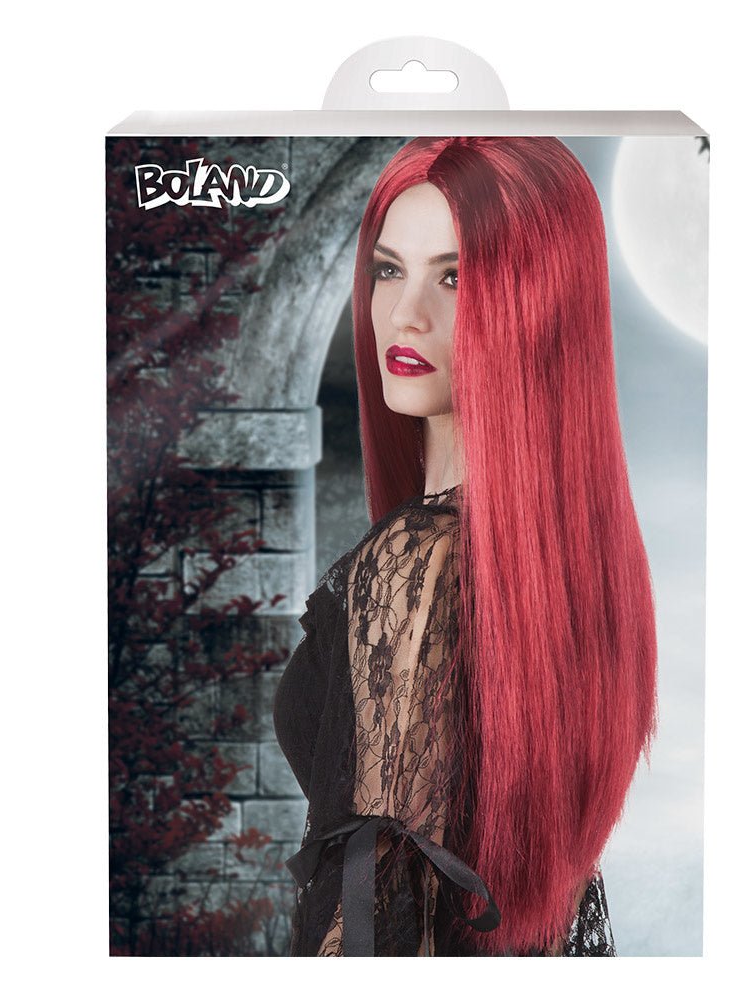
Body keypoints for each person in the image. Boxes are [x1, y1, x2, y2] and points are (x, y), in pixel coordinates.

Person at [272, 136, 657, 957]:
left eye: (455, 278)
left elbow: (373, 918)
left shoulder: (421, 561)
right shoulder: (576, 570)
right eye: (388, 270)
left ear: (537, 303)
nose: (405, 314)